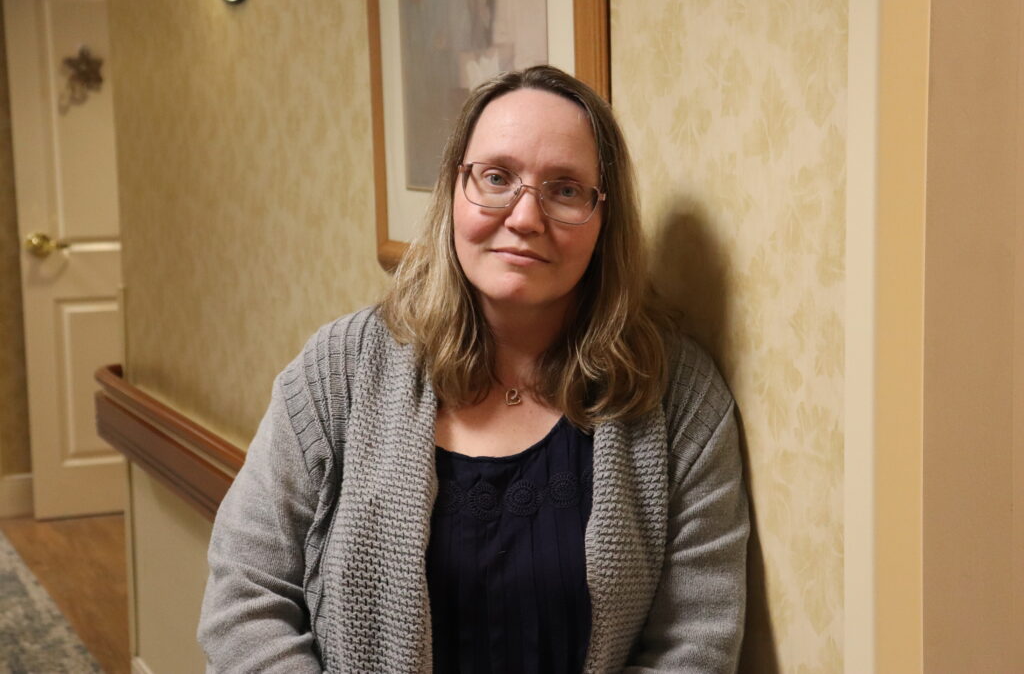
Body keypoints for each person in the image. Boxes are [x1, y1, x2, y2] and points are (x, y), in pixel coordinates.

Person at [198, 65, 749, 673]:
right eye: (496, 177)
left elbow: (696, 641)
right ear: (454, 191)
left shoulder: (679, 396)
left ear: (603, 217)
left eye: (565, 189)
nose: (524, 217)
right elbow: (244, 598)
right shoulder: (340, 371)